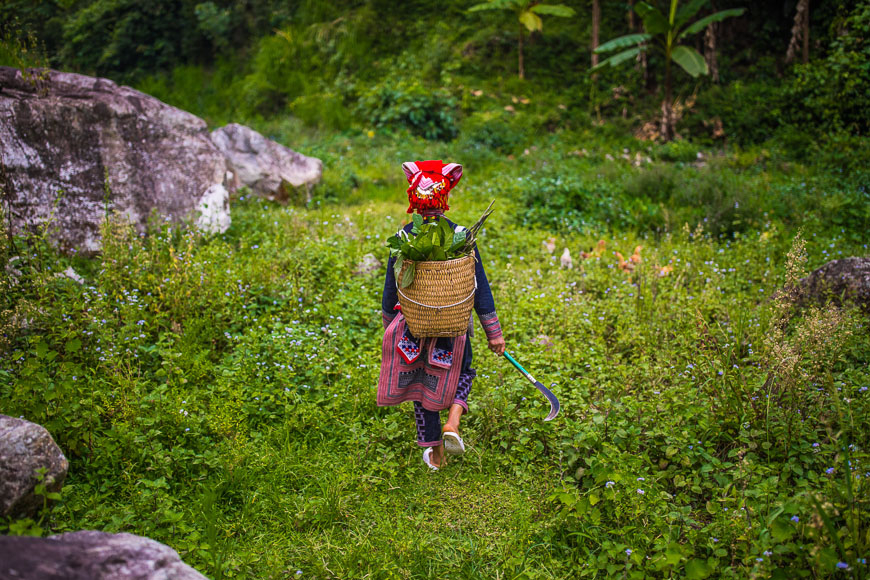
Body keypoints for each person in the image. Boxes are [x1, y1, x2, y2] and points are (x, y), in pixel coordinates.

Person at [378, 160, 505, 470]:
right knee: (464, 373)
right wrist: (494, 333)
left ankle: (436, 455)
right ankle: (453, 421)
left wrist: (387, 325)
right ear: (443, 197)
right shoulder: (461, 237)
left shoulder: (404, 237)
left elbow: (390, 290)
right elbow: (480, 288)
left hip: (413, 331)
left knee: (423, 388)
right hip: (453, 328)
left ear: (414, 199)